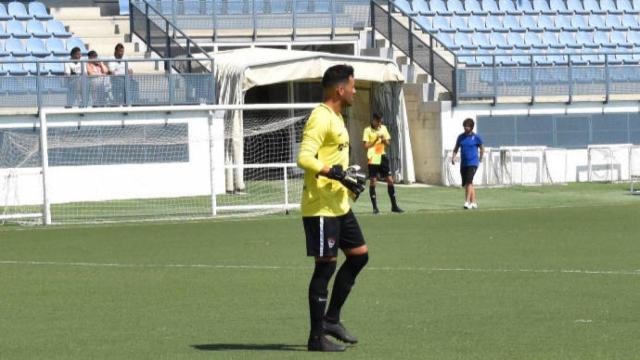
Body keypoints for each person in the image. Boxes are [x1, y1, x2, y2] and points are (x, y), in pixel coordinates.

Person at [297, 64, 368, 352]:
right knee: (324, 270)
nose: (354, 90)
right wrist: (332, 172)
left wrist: (347, 180)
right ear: (340, 89)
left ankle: (331, 319)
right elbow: (304, 157)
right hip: (320, 208)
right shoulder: (320, 116)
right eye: (352, 85)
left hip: (338, 205)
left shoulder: (338, 118)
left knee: (359, 256)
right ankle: (316, 337)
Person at [362, 112, 403, 214]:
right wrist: (375, 139)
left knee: (390, 180)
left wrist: (384, 140)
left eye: (381, 121)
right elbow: (365, 146)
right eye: (378, 121)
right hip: (373, 157)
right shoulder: (367, 130)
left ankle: (394, 206)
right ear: (374, 120)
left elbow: (388, 143)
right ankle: (375, 208)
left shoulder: (383, 128)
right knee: (373, 182)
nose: (380, 123)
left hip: (382, 155)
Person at [452, 118, 485, 209]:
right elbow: (456, 148)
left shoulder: (476, 137)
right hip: (464, 163)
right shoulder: (460, 137)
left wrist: (480, 158)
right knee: (468, 183)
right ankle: (473, 202)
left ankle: (467, 202)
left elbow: (482, 148)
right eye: (464, 126)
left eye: (467, 126)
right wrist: (453, 157)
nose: (465, 128)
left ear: (471, 127)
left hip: (473, 162)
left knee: (469, 181)